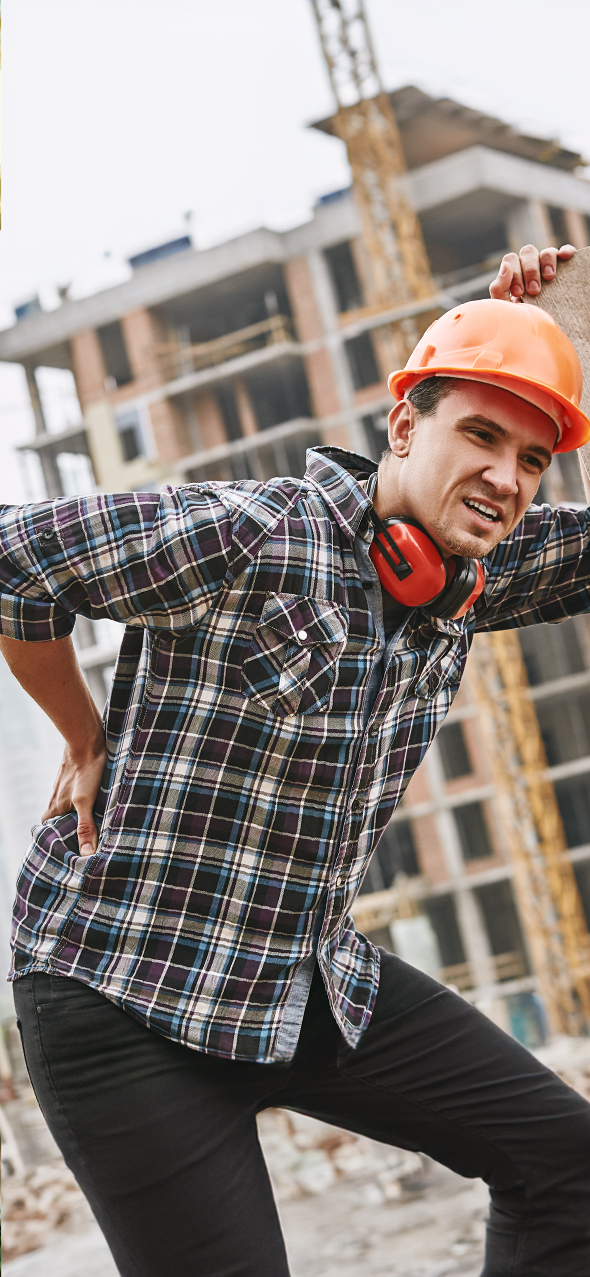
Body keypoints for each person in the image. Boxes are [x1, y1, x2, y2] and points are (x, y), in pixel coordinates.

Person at [2, 243, 590, 1277]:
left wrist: (571, 339)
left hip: (294, 975)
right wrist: (82, 732)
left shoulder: (466, 574)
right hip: (121, 990)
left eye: (530, 458)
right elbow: (13, 556)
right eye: (479, 434)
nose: (502, 476)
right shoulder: (248, 535)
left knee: (570, 1163)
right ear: (404, 424)